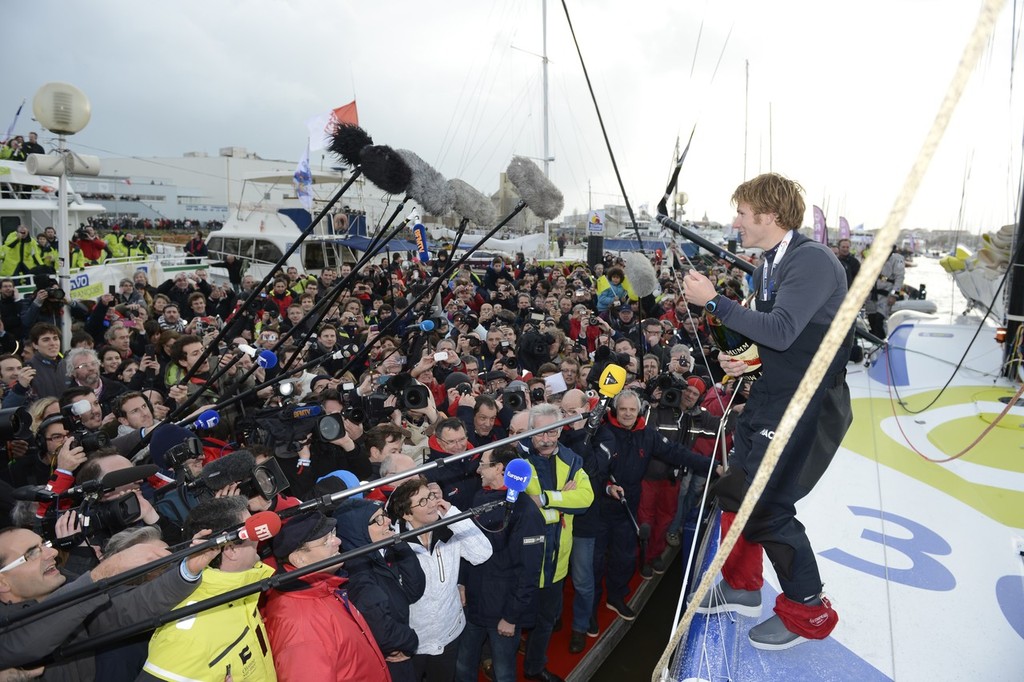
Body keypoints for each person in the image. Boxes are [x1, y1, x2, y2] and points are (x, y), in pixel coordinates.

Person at [682, 172, 852, 650]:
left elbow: (780, 329)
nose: (735, 221)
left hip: (805, 401)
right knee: (736, 491)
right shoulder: (767, 266)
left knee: (769, 507)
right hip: (772, 395)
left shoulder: (812, 261)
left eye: (741, 212)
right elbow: (780, 339)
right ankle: (743, 586)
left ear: (770, 216)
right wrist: (746, 359)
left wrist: (714, 301)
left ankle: (808, 613)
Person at [141, 496, 278, 681]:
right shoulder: (188, 638)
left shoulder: (238, 591)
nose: (259, 540)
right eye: (251, 531)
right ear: (230, 549)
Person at [387, 476, 492, 682]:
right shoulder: (394, 544)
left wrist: (453, 514)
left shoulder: (450, 529)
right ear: (407, 514)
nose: (433, 503)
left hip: (449, 632)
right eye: (423, 501)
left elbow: (482, 554)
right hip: (412, 640)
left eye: (431, 496)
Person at [456, 445, 545, 682]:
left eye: (483, 465)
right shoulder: (480, 497)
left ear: (499, 468)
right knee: (463, 663)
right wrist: (462, 583)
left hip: (503, 611)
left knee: (503, 671)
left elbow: (530, 570)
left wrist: (512, 616)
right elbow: (467, 545)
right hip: (475, 602)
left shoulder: (526, 511)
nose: (478, 471)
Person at [520, 404, 594, 682]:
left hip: (557, 561)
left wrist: (548, 498)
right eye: (540, 432)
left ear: (561, 430)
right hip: (523, 562)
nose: (547, 439)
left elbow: (585, 499)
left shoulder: (572, 459)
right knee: (515, 622)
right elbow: (522, 508)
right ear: (530, 432)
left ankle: (534, 668)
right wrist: (563, 498)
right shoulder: (517, 460)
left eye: (552, 431)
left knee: (545, 622)